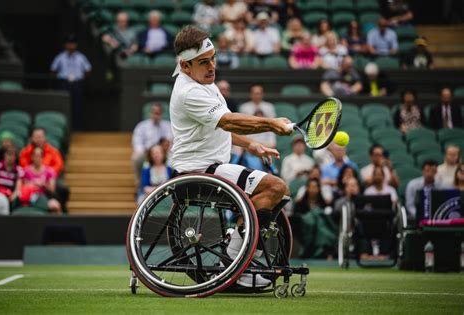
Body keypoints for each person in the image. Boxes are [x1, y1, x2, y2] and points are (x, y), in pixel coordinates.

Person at [170, 25, 292, 287]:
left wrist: (250, 145)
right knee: (275, 187)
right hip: (199, 173)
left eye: (213, 58)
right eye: (204, 62)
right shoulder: (189, 91)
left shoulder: (204, 82)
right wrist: (271, 124)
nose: (212, 66)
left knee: (271, 192)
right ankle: (235, 264)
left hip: (212, 169)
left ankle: (235, 252)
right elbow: (228, 120)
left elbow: (220, 126)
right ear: (186, 66)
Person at [51, 35, 91, 130]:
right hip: (64, 83)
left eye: (72, 44)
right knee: (63, 105)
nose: (71, 46)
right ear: (65, 45)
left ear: (76, 45)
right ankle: (64, 128)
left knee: (77, 107)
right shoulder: (60, 57)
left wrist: (81, 80)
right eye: (69, 44)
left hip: (77, 84)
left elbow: (88, 70)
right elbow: (53, 70)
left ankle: (77, 128)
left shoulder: (81, 57)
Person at [293, 178, 336, 259]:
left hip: (320, 230)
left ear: (319, 189)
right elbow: (297, 218)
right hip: (304, 230)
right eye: (311, 187)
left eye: (315, 187)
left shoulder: (324, 204)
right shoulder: (299, 204)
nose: (313, 189)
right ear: (307, 188)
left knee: (321, 228)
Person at [132, 103, 173, 184]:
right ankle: (140, 184)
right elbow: (137, 141)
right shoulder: (142, 126)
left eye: (158, 113)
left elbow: (170, 140)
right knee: (136, 158)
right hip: (147, 152)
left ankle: (170, 183)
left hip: (164, 152)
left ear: (161, 114)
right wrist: (143, 151)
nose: (155, 115)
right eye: (154, 112)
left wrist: (163, 150)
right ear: (150, 113)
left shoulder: (168, 125)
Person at [21, 147, 62, 213]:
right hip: (29, 197)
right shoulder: (26, 170)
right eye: (35, 156)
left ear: (42, 157)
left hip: (45, 196)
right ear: (32, 157)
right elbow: (23, 186)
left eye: (39, 156)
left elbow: (52, 189)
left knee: (55, 205)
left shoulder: (49, 171)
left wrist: (43, 184)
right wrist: (33, 183)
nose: (37, 158)